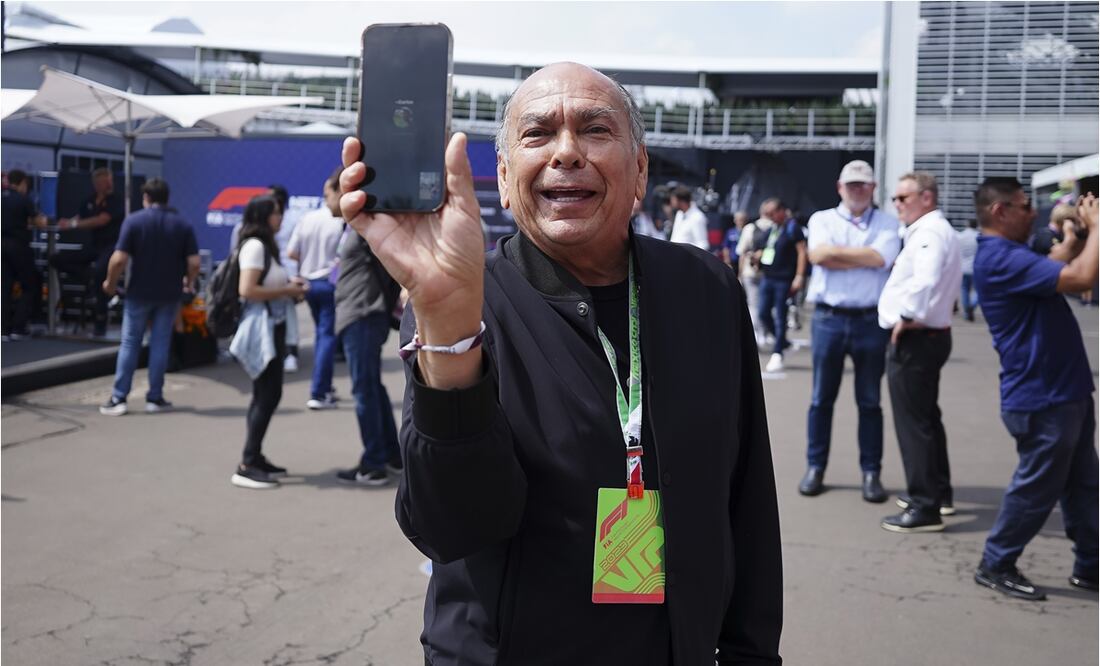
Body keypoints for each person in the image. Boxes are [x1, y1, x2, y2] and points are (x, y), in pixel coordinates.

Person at [339, 62, 781, 665]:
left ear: (640, 168)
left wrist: (752, 653)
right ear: (502, 173)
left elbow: (747, 497)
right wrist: (448, 330)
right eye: (537, 133)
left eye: (596, 130)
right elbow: (450, 529)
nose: (566, 152)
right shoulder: (461, 303)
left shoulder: (706, 289)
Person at [970, 179, 1098, 601]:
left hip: (1065, 389)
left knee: (1083, 485)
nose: (1034, 214)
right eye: (1025, 207)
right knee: (1036, 490)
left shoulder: (1015, 253)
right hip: (1041, 395)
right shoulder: (999, 256)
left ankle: (1091, 565)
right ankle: (996, 561)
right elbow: (1080, 278)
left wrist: (1079, 232)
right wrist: (1097, 229)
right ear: (1000, 212)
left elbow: (1060, 259)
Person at [799, 160, 900, 502]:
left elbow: (881, 258)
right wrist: (864, 256)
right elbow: (819, 256)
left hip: (870, 319)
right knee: (820, 399)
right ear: (840, 187)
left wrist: (839, 255)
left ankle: (871, 471)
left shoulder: (888, 221)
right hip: (829, 317)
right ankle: (815, 466)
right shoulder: (822, 219)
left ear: (873, 188)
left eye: (864, 185)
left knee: (870, 401)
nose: (858, 190)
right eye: (852, 185)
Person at [877, 172, 962, 532]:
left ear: (926, 198)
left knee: (913, 423)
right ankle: (937, 494)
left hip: (916, 337)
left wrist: (906, 317)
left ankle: (924, 504)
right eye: (895, 198)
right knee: (927, 418)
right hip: (929, 335)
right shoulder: (932, 230)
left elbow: (925, 280)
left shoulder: (928, 232)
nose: (897, 204)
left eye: (903, 197)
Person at [98, 179, 199, 415]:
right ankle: (155, 397)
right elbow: (194, 262)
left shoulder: (134, 221)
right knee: (160, 343)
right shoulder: (182, 224)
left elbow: (119, 259)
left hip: (139, 291)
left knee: (130, 343)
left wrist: (110, 284)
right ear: (167, 198)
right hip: (169, 293)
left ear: (146, 198)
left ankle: (119, 397)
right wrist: (189, 281)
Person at [227, 195, 308, 489]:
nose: (280, 218)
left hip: (271, 327)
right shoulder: (255, 246)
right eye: (276, 213)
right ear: (262, 217)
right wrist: (286, 289)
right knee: (266, 394)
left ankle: (255, 456)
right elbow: (247, 289)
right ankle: (247, 462)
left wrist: (289, 290)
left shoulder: (265, 247)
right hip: (261, 329)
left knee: (267, 394)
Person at [330, 165, 402, 486]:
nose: (327, 201)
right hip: (364, 313)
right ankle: (389, 455)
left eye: (328, 194)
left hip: (361, 312)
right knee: (371, 386)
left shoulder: (363, 223)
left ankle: (373, 462)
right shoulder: (355, 226)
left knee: (363, 389)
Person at [287, 174, 344, 410]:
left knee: (323, 336)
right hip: (329, 285)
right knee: (326, 337)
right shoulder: (339, 220)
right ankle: (319, 391)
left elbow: (292, 252)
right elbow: (344, 257)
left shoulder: (307, 218)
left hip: (308, 284)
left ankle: (325, 388)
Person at [52, 168, 126, 337]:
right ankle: (91, 280)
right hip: (94, 246)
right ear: (96, 184)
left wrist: (74, 225)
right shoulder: (89, 201)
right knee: (57, 259)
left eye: (109, 181)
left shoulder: (117, 200)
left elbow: (102, 220)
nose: (107, 185)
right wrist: (68, 222)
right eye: (103, 182)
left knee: (101, 271)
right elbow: (81, 217)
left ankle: (100, 324)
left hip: (111, 246)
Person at [755, 198, 807, 373]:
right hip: (768, 276)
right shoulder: (771, 230)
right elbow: (766, 249)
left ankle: (778, 352)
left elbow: (802, 252)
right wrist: (757, 257)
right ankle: (782, 342)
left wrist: (799, 276)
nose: (769, 217)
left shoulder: (793, 228)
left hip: (784, 278)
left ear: (781, 211)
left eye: (772, 213)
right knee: (762, 312)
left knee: (780, 315)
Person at [2, 170, 48, 340]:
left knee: (4, 287)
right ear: (22, 183)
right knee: (30, 285)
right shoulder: (23, 200)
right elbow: (40, 223)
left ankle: (3, 329)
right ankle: (19, 327)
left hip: (2, 245)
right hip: (18, 246)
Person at [737, 205, 774, 346]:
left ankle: (756, 334)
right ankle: (765, 332)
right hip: (770, 272)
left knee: (753, 304)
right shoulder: (775, 227)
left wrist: (739, 274)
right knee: (767, 305)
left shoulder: (749, 228)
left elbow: (741, 251)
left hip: (750, 271)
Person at [668, 185, 709, 249]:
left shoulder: (698, 217)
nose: (671, 202)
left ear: (681, 201)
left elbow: (703, 245)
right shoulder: (679, 214)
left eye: (673, 199)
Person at [958, 218, 980, 321]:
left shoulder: (961, 236)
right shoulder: (979, 237)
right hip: (976, 267)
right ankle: (972, 305)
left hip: (963, 267)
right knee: (979, 291)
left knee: (964, 289)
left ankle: (967, 311)